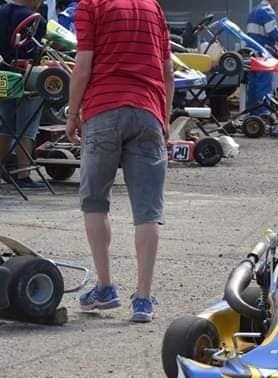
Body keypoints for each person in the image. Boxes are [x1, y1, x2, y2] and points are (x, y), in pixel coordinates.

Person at [65, 0, 174, 322]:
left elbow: (83, 66)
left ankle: (105, 288)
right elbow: (167, 71)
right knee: (148, 211)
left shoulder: (91, 5)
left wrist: (72, 114)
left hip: (103, 109)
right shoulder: (153, 7)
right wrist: (165, 118)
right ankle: (143, 299)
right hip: (148, 113)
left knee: (95, 202)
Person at [0, 0, 47, 189]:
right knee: (27, 126)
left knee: (5, 124)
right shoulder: (35, 19)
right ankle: (23, 174)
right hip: (25, 74)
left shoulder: (1, 11)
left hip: (4, 75)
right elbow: (34, 52)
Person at [246, 0, 278, 116]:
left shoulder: (254, 11)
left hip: (252, 53)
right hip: (263, 53)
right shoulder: (267, 10)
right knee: (264, 83)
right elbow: (272, 31)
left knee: (253, 84)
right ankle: (264, 112)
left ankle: (252, 112)